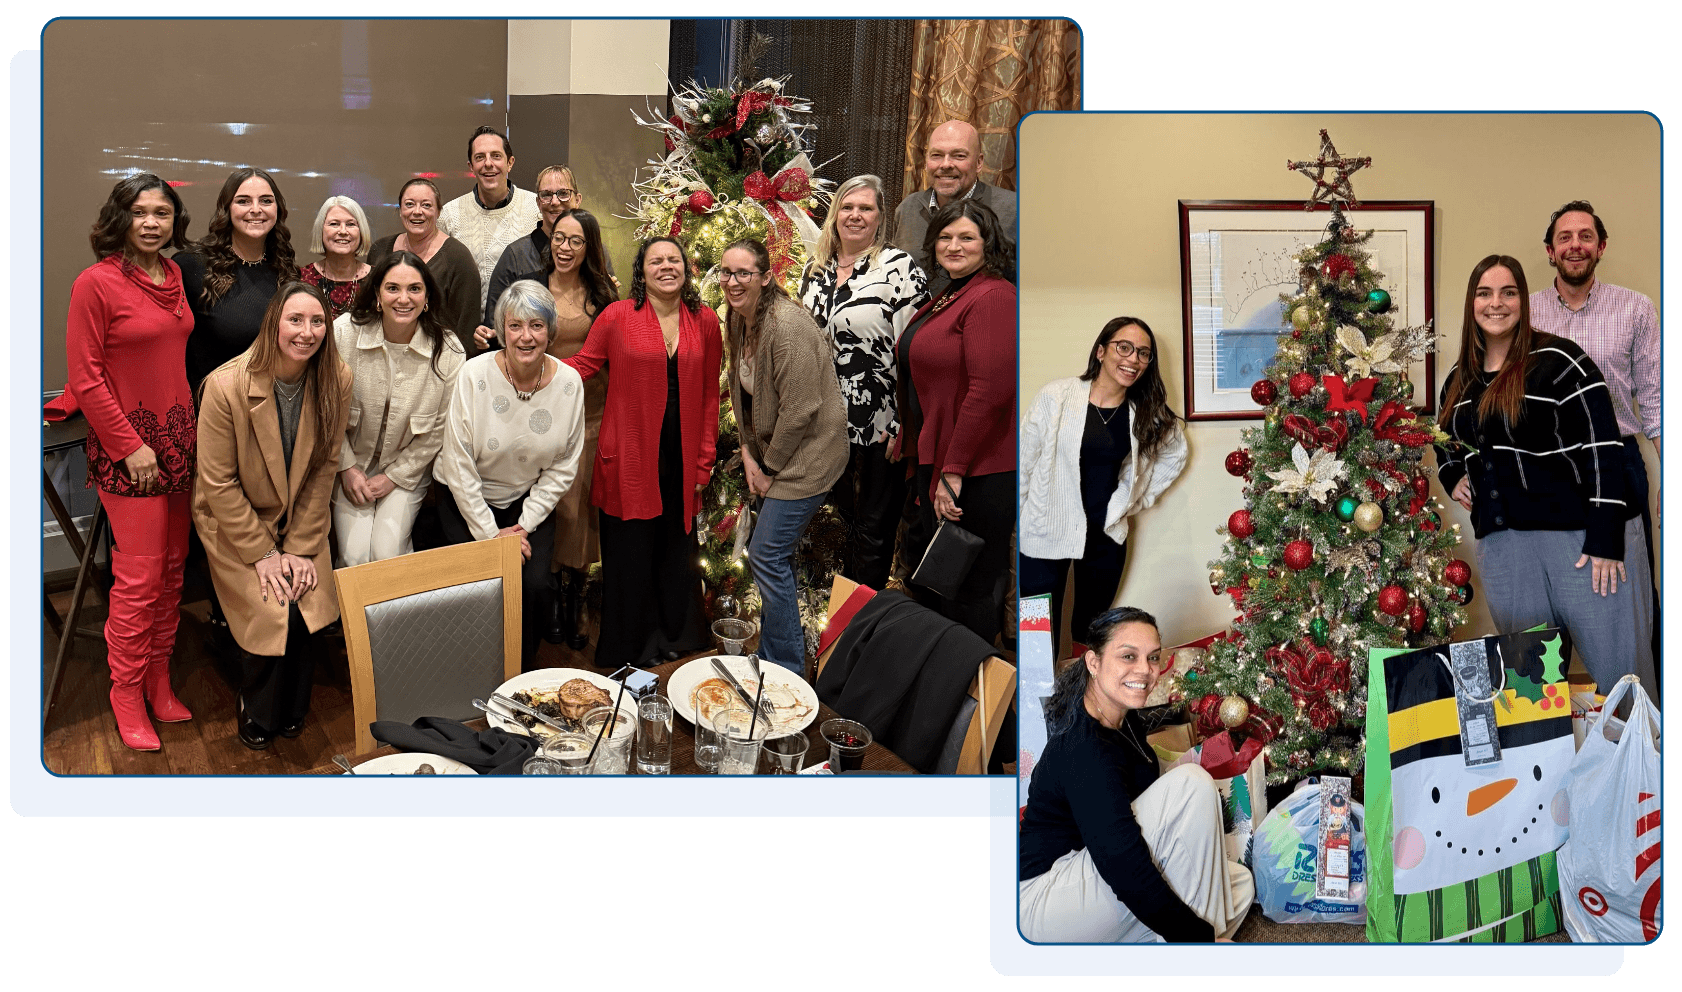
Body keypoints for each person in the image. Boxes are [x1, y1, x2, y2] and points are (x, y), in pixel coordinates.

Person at [1435, 255, 1655, 697]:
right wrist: (1452, 472)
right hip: (1506, 549)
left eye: (1508, 292)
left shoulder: (1561, 360)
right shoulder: (1459, 379)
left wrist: (1605, 539)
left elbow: (1603, 445)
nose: (1496, 303)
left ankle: (1643, 745)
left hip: (1582, 544)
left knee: (1624, 681)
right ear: (1471, 303)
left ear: (1523, 300)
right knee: (1532, 692)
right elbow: (1444, 436)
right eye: (1484, 293)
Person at [1019, 607, 1253, 942]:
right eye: (1128, 656)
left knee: (1239, 884)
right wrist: (1197, 937)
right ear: (1093, 662)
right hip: (1044, 898)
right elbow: (1124, 865)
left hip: (1094, 874)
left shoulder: (1124, 720)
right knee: (1192, 784)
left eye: (1153, 657)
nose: (1145, 670)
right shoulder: (1083, 747)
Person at [65, 173, 197, 751]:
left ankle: (158, 680)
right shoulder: (95, 283)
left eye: (161, 213)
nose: (151, 223)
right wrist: (128, 446)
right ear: (120, 218)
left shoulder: (174, 275)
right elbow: (86, 378)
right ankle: (125, 693)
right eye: (140, 212)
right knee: (139, 579)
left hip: (180, 442)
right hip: (130, 453)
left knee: (173, 571)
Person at [192, 282, 352, 750]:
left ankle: (293, 707)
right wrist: (264, 554)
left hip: (300, 516)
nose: (307, 332)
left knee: (307, 598)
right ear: (273, 324)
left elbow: (324, 466)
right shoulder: (224, 386)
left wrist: (299, 548)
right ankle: (257, 705)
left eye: (317, 321)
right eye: (295, 320)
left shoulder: (336, 378)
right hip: (236, 520)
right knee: (273, 605)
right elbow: (218, 484)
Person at [563, 238, 722, 669]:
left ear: (685, 267)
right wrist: (531, 366)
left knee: (676, 551)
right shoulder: (617, 316)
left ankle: (676, 637)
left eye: (674, 260)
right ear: (642, 270)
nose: (666, 267)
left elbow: (711, 394)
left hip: (682, 455)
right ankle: (630, 645)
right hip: (629, 455)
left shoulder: (705, 320)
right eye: (656, 261)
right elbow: (584, 365)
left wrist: (704, 461)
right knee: (629, 554)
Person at [1529, 200, 1661, 676]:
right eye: (1564, 237)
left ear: (1601, 247)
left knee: (1632, 598)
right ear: (1550, 250)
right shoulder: (1525, 312)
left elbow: (1656, 400)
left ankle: (1646, 710)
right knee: (1547, 601)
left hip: (1619, 464)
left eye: (1585, 236)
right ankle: (1549, 708)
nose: (1575, 245)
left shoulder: (1635, 308)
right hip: (1545, 468)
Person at [476, 209, 618, 648]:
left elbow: (605, 355)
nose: (565, 247)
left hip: (586, 412)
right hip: (531, 409)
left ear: (589, 247)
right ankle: (549, 596)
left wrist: (559, 377)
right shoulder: (532, 287)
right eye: (559, 237)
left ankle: (575, 599)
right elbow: (512, 339)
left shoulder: (603, 295)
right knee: (549, 506)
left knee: (577, 512)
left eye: (576, 240)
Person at [433, 280, 584, 669]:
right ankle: (470, 669)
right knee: (480, 584)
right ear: (501, 329)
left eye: (537, 325)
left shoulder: (570, 384)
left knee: (534, 585)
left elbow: (564, 465)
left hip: (526, 503)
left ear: (550, 331)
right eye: (515, 325)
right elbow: (458, 463)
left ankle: (519, 671)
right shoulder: (473, 375)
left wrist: (523, 525)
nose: (525, 336)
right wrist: (491, 535)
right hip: (465, 499)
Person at [1019, 317, 1187, 655]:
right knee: (1035, 628)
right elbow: (1025, 461)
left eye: (1143, 353)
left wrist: (1134, 500)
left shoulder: (1143, 411)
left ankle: (1080, 689)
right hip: (1044, 527)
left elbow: (1175, 453)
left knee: (1091, 631)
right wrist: (1021, 515)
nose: (1133, 359)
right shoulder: (1057, 396)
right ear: (1100, 351)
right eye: (1124, 348)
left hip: (1105, 533)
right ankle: (1036, 690)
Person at [724, 238, 849, 676]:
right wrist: (747, 451)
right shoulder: (739, 318)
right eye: (726, 272)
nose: (733, 281)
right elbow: (741, 393)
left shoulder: (787, 327)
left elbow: (800, 410)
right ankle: (777, 656)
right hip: (775, 454)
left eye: (744, 273)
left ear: (765, 277)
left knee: (766, 554)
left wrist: (769, 468)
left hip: (809, 457)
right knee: (775, 556)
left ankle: (788, 667)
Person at [800, 174, 929, 591]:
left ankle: (861, 619)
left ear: (879, 217)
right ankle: (825, 612)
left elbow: (919, 352)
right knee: (831, 523)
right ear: (835, 214)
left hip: (880, 424)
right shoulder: (814, 271)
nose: (855, 215)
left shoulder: (898, 268)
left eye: (866, 208)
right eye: (848, 207)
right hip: (822, 424)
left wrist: (905, 421)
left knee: (873, 531)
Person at [897, 200, 1017, 643]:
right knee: (940, 588)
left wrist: (953, 472)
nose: (954, 246)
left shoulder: (994, 297)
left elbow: (988, 392)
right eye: (945, 237)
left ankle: (975, 684)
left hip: (976, 471)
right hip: (943, 456)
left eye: (967, 237)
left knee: (968, 594)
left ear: (989, 243)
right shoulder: (952, 293)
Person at [331, 251, 466, 566]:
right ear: (377, 294)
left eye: (414, 289)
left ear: (427, 297)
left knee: (386, 555)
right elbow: (325, 411)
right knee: (355, 558)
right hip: (348, 462)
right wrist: (346, 468)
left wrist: (394, 477)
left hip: (407, 468)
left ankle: (404, 599)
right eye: (393, 288)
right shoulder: (344, 333)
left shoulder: (449, 351)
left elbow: (439, 429)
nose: (403, 299)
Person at [180, 167, 299, 391]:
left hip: (269, 401)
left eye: (266, 201)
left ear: (278, 209)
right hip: (212, 403)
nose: (256, 209)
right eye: (243, 201)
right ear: (227, 209)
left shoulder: (287, 269)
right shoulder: (192, 265)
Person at [477, 164, 613, 340]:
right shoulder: (515, 255)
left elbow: (609, 315)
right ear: (538, 202)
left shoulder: (596, 250)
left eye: (563, 193)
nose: (554, 202)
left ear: (577, 199)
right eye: (546, 195)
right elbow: (495, 324)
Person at [891, 120, 1016, 295]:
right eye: (936, 155)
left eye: (959, 156)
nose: (945, 164)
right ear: (926, 161)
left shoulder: (1015, 210)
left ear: (979, 162)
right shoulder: (908, 208)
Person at [368, 178, 483, 357]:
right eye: (409, 204)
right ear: (400, 211)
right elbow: (370, 309)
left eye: (426, 205)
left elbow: (466, 329)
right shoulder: (380, 251)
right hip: (383, 355)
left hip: (438, 358)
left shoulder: (458, 257)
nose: (417, 212)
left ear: (438, 212)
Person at [437, 125, 541, 316]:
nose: (488, 164)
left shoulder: (536, 209)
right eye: (479, 157)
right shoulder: (449, 216)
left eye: (496, 156)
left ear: (510, 163)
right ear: (471, 166)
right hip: (469, 328)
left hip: (526, 324)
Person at [297, 195, 372, 319]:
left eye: (350, 224)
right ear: (321, 230)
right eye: (334, 224)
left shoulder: (377, 280)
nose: (343, 231)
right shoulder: (302, 279)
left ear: (361, 231)